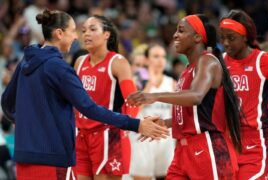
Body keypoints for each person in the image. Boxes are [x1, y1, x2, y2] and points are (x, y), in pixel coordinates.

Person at [1, 9, 169, 180]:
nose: (79, 36)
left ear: (107, 35)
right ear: (59, 33)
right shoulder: (69, 65)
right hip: (64, 146)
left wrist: (28, 124)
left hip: (103, 136)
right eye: (77, 31)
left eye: (91, 29)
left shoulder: (26, 60)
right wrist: (137, 124)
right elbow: (88, 107)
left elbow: (7, 102)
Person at [126, 14, 242, 179]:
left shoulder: (208, 61)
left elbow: (196, 97)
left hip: (207, 147)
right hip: (182, 150)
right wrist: (164, 123)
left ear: (197, 37)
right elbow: (195, 114)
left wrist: (154, 96)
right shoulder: (186, 71)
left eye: (181, 31)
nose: (175, 35)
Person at [219, 9, 268, 180]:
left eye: (231, 38)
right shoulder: (219, 63)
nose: (225, 43)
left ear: (245, 37)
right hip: (226, 145)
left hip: (256, 146)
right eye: (222, 38)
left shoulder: (265, 61)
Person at [74, 15, 140, 180]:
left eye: (93, 29)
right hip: (81, 136)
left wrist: (126, 125)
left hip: (107, 135)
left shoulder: (118, 62)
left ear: (106, 34)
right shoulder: (79, 62)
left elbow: (133, 101)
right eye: (84, 31)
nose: (86, 34)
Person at [129, 44, 176, 180]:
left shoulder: (172, 83)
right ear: (147, 60)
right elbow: (132, 110)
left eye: (163, 56)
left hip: (165, 138)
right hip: (142, 139)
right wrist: (148, 86)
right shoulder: (137, 81)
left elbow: (176, 114)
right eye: (155, 56)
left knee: (166, 176)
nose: (160, 60)